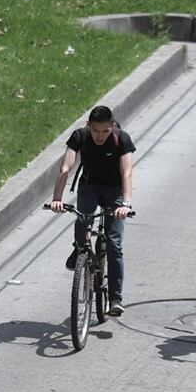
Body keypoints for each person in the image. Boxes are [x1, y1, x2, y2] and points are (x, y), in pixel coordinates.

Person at [49, 105, 134, 316]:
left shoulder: (121, 139)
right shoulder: (80, 136)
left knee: (114, 243)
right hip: (89, 186)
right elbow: (65, 168)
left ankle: (115, 299)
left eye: (105, 131)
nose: (100, 136)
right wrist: (57, 199)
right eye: (96, 131)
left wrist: (126, 203)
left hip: (114, 191)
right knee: (83, 219)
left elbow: (127, 172)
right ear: (89, 126)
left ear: (112, 126)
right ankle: (80, 249)